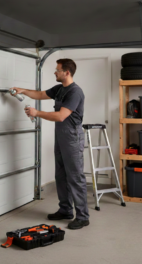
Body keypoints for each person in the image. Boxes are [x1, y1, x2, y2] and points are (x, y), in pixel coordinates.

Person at [10, 58, 89, 230]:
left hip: (72, 137)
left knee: (75, 176)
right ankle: (65, 210)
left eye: (57, 70)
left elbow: (61, 116)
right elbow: (40, 94)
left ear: (67, 72)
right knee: (60, 175)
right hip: (61, 136)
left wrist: (36, 112)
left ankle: (83, 217)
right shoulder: (60, 89)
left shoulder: (74, 92)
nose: (55, 72)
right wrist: (22, 90)